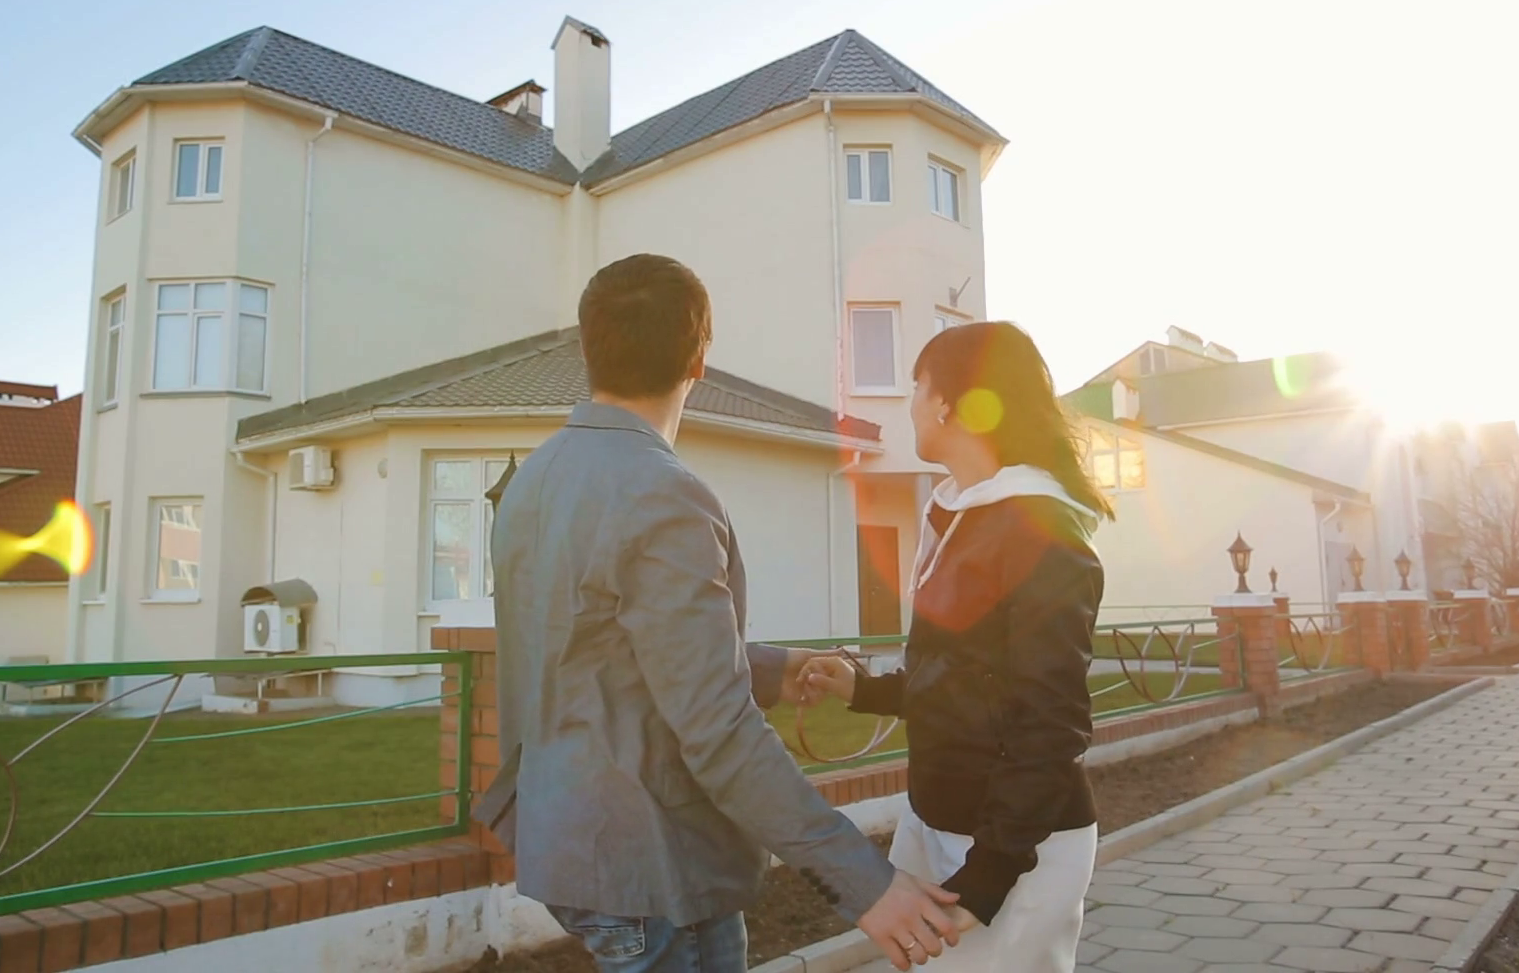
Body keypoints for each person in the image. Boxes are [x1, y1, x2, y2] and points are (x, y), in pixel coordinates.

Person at [474, 254, 966, 973]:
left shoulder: (534, 480)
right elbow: (717, 730)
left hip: (567, 847)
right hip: (655, 865)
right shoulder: (661, 494)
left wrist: (772, 668)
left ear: (588, 350)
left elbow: (594, 649)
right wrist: (867, 884)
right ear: (699, 358)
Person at [801, 321, 1110, 972]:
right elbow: (962, 675)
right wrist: (863, 689)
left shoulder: (1040, 533)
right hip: (938, 820)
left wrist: (990, 874)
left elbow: (1050, 723)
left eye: (916, 386)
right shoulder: (962, 515)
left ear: (946, 403)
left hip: (1013, 845)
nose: (910, 404)